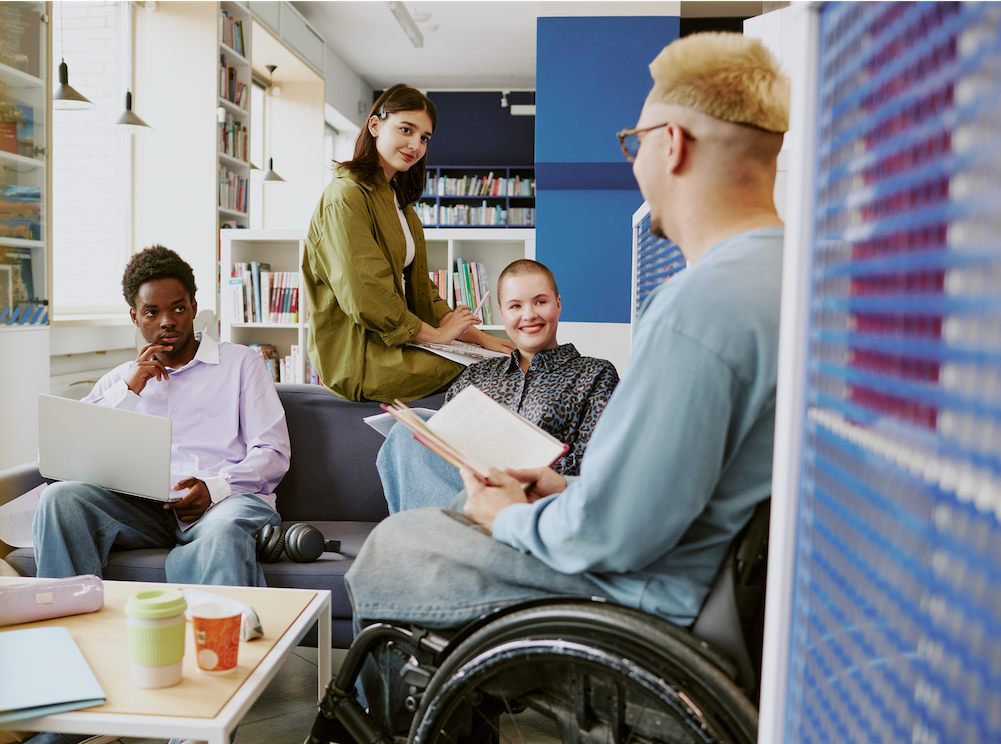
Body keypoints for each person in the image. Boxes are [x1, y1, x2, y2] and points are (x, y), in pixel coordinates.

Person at [345, 31, 790, 731]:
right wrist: (565, 489)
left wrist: (511, 516)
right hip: (703, 574)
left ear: (670, 144)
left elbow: (616, 534)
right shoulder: (790, 279)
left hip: (657, 591)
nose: (636, 162)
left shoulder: (701, 305)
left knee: (395, 549)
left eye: (633, 142)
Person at [32, 245, 290, 588]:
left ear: (194, 308)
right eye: (151, 312)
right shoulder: (120, 380)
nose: (167, 321)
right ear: (135, 317)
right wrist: (127, 390)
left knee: (225, 530)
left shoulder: (242, 364)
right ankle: (66, 624)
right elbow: (62, 458)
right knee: (58, 499)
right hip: (143, 510)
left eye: (178, 308)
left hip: (223, 502)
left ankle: (215, 637)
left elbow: (272, 452)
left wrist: (213, 489)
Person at [303, 83, 514, 403]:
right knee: (498, 373)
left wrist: (481, 339)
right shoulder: (345, 197)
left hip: (404, 342)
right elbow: (368, 298)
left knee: (508, 358)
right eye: (406, 129)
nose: (415, 144)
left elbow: (422, 291)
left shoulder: (402, 206)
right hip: (364, 357)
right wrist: (443, 336)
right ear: (375, 125)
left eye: (424, 138)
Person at [377, 259, 619, 513]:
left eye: (540, 301)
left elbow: (594, 466)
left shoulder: (595, 374)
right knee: (403, 435)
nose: (529, 315)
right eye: (515, 306)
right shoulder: (476, 376)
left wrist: (512, 469)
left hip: (538, 502)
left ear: (558, 304)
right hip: (465, 493)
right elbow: (445, 454)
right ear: (501, 312)